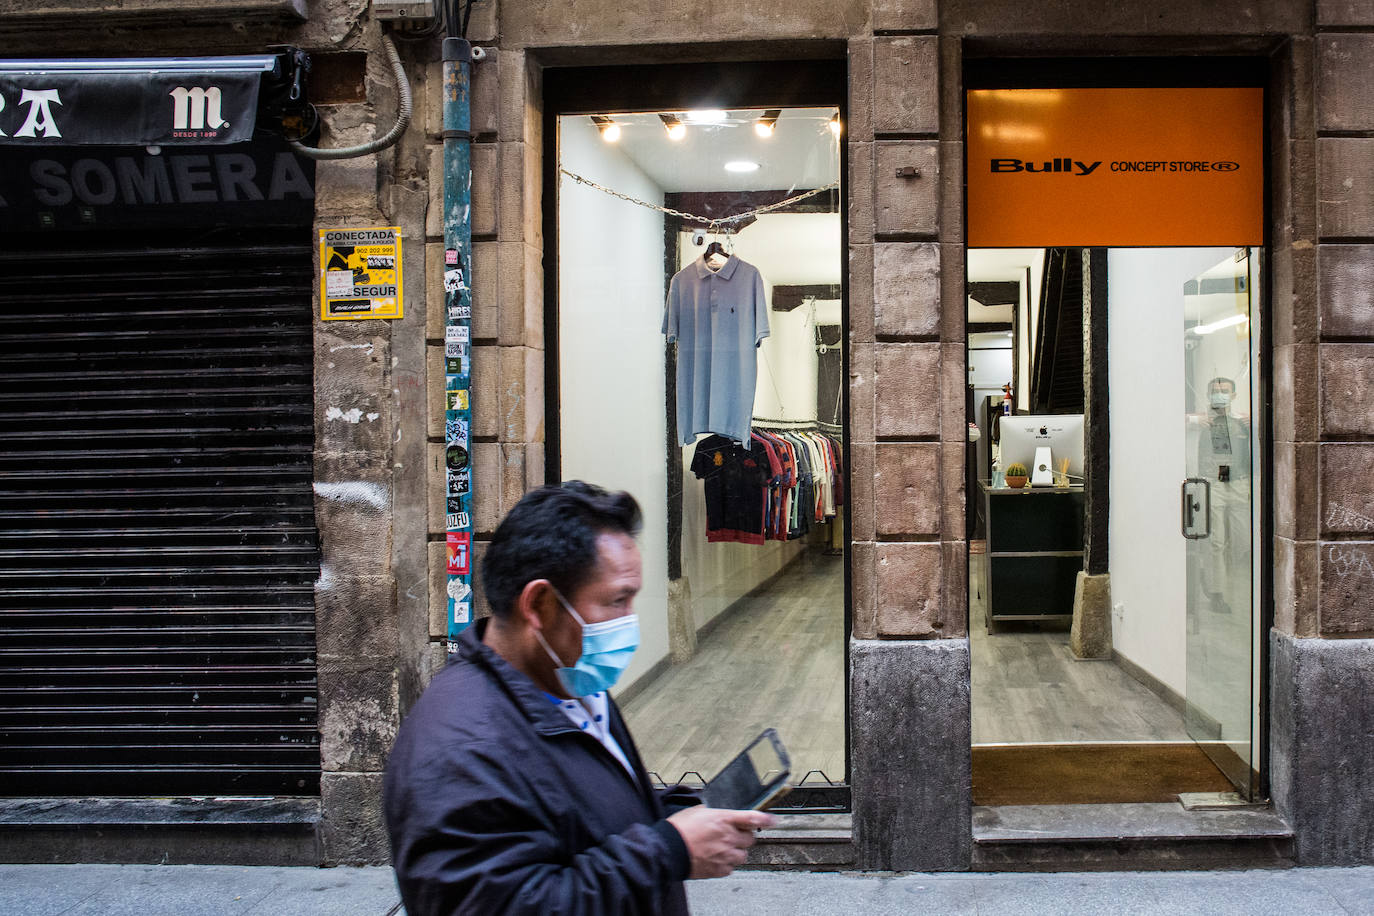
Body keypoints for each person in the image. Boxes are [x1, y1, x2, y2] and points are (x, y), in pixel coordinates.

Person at [384, 481, 775, 915]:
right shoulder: (461, 751)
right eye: (617, 601)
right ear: (540, 604)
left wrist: (676, 814)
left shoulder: (569, 681)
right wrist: (668, 850)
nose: (630, 622)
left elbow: (577, 813)